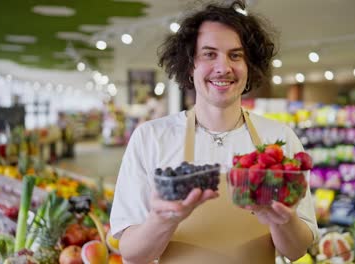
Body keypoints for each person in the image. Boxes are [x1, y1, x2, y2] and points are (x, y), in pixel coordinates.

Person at [110, 1, 318, 263]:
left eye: (235, 55)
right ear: (189, 65)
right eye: (209, 54)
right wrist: (162, 219)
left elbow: (296, 250)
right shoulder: (151, 138)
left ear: (250, 65)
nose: (223, 67)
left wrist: (283, 219)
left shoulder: (279, 140)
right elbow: (131, 253)